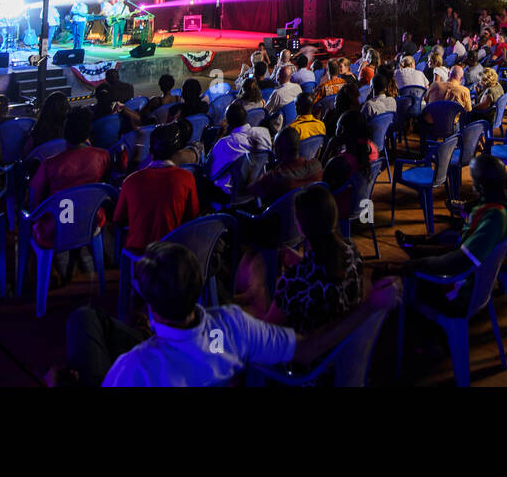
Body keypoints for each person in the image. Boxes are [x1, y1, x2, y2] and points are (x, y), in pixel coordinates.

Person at [57, 241, 401, 386]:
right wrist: (369, 306)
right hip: (202, 348)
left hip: (157, 349)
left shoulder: (134, 368)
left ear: (147, 303)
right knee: (90, 320)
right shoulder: (235, 326)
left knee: (83, 319)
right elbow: (309, 348)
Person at [387, 153, 507, 316]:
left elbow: (459, 261)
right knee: (437, 246)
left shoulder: (494, 218)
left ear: (479, 186)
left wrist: (412, 266)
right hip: (480, 276)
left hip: (464, 291)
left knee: (400, 281)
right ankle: (417, 249)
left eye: (474, 179)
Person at [239, 185, 365, 335]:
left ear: (300, 225)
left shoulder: (294, 281)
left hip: (309, 352)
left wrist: (256, 289)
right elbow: (324, 275)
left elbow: (267, 332)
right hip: (346, 346)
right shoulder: (352, 252)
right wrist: (301, 262)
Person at [114, 122, 199, 251]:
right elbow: (192, 215)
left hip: (138, 251)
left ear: (150, 150)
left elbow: (119, 220)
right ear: (177, 152)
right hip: (171, 250)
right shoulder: (186, 178)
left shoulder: (130, 181)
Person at [29, 108, 112, 211]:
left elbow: (34, 197)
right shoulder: (103, 156)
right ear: (88, 132)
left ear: (65, 131)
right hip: (91, 218)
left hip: (57, 222)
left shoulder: (50, 165)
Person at [207, 101, 272, 194]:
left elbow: (209, 168)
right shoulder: (264, 133)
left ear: (229, 122)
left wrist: (219, 136)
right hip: (259, 185)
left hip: (233, 191)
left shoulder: (225, 142)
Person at [248, 127, 322, 204]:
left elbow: (250, 189)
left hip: (278, 214)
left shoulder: (274, 178)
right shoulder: (317, 167)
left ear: (278, 150)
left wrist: (255, 158)